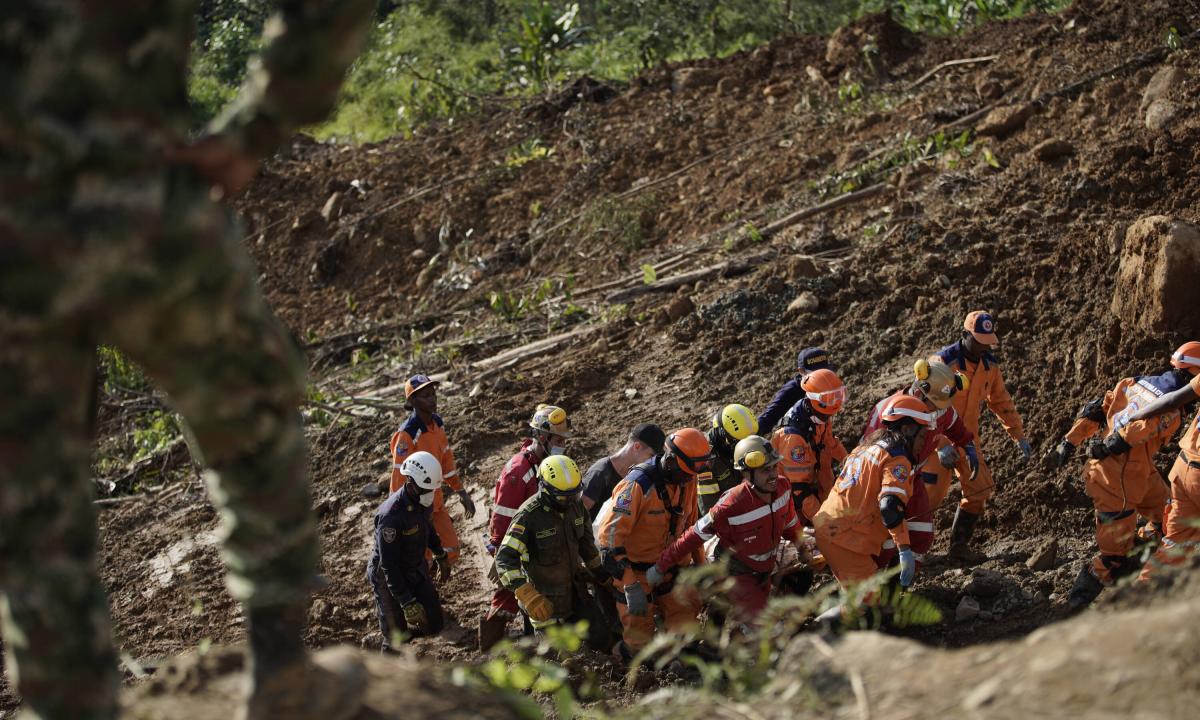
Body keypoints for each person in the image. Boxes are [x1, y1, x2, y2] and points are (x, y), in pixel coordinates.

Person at [0, 2, 373, 719]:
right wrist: (258, 127)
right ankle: (283, 675)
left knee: (31, 492)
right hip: (143, 202)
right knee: (253, 423)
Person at [1046, 348, 1195, 610]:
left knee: (1166, 518)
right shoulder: (1172, 412)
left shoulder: (1133, 382)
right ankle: (1072, 610)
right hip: (1117, 479)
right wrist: (1113, 445)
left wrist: (1068, 442)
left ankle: (1140, 555)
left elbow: (1096, 410)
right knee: (1112, 558)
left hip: (1139, 472)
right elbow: (1140, 429)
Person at [649, 436, 808, 626]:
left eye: (774, 467)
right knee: (765, 627)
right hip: (736, 572)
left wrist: (802, 548)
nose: (773, 474)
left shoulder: (783, 487)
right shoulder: (730, 505)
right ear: (747, 474)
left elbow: (790, 523)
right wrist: (660, 566)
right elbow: (694, 535)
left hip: (765, 568)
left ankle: (716, 627)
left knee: (801, 581)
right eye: (766, 470)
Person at [597, 428, 711, 661]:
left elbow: (691, 529)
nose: (690, 478)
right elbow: (609, 541)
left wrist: (702, 566)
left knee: (687, 636)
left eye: (694, 472)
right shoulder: (636, 486)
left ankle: (677, 662)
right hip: (635, 574)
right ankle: (619, 658)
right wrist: (630, 586)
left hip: (671, 567)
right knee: (640, 650)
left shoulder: (687, 479)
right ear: (670, 461)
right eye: (687, 472)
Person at [934, 311, 1032, 562]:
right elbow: (923, 406)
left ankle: (958, 548)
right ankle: (905, 552)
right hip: (934, 439)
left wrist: (1017, 435)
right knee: (927, 495)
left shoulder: (989, 366)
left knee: (980, 490)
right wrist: (940, 444)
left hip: (967, 439)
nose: (983, 346)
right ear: (965, 335)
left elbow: (1001, 401)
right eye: (978, 340)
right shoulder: (944, 363)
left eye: (987, 341)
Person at [813, 395, 934, 596]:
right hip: (845, 541)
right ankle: (823, 625)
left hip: (830, 530)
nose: (923, 444)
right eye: (922, 436)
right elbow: (889, 507)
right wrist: (904, 549)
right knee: (868, 611)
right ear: (907, 430)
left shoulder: (865, 449)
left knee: (861, 602)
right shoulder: (897, 459)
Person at [862, 358, 977, 565]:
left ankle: (904, 580)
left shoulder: (940, 409)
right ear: (919, 391)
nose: (936, 411)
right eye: (933, 404)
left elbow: (954, 426)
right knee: (884, 537)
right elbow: (866, 455)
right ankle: (878, 580)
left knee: (922, 535)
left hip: (913, 479)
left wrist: (968, 446)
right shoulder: (887, 411)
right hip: (881, 481)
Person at [478, 404, 574, 651]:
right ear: (541, 437)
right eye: (558, 439)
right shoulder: (518, 472)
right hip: (519, 545)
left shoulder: (552, 465)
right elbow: (502, 519)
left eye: (564, 440)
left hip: (543, 543)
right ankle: (493, 647)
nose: (563, 444)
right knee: (515, 594)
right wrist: (503, 557)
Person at [494, 456, 612, 651]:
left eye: (574, 494)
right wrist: (527, 595)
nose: (569, 501)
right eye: (562, 496)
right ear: (545, 488)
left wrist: (602, 574)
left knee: (600, 639)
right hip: (543, 603)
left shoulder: (576, 506)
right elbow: (505, 560)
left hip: (575, 593)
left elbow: (587, 546)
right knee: (556, 657)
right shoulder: (528, 517)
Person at [1111, 342, 1200, 581]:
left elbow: (1172, 400)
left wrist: (1138, 414)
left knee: (1175, 542)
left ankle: (1139, 601)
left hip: (1183, 469)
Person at [389, 374, 475, 567]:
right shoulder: (407, 434)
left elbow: (446, 462)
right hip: (416, 509)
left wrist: (461, 492)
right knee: (422, 558)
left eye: (433, 393)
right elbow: (398, 478)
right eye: (425, 395)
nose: (432, 398)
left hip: (435, 503)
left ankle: (433, 587)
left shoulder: (437, 424)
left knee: (452, 549)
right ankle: (427, 592)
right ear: (412, 401)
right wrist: (401, 515)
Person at [367, 452, 449, 652]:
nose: (431, 494)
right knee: (396, 638)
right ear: (411, 483)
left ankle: (411, 630)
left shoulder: (422, 500)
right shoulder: (391, 517)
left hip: (414, 565)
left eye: (433, 489)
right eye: (427, 489)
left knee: (435, 624)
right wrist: (406, 601)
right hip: (388, 576)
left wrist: (440, 554)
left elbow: (428, 529)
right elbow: (389, 565)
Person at [771, 369, 849, 524]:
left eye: (837, 396)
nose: (834, 403)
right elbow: (799, 491)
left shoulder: (820, 415)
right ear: (814, 399)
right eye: (829, 398)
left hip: (820, 487)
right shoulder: (792, 438)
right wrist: (824, 522)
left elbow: (830, 443)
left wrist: (851, 462)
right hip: (798, 507)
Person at [581, 422, 666, 520]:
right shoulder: (601, 472)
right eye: (651, 456)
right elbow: (578, 515)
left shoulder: (635, 474)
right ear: (637, 447)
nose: (652, 461)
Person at [758, 347, 836, 434]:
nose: (821, 377)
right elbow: (767, 419)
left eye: (824, 372)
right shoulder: (791, 391)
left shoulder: (829, 384)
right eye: (815, 374)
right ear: (801, 371)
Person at [700, 404, 760, 514]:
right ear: (723, 434)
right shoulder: (706, 462)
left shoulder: (746, 441)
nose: (744, 448)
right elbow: (709, 512)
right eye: (737, 443)